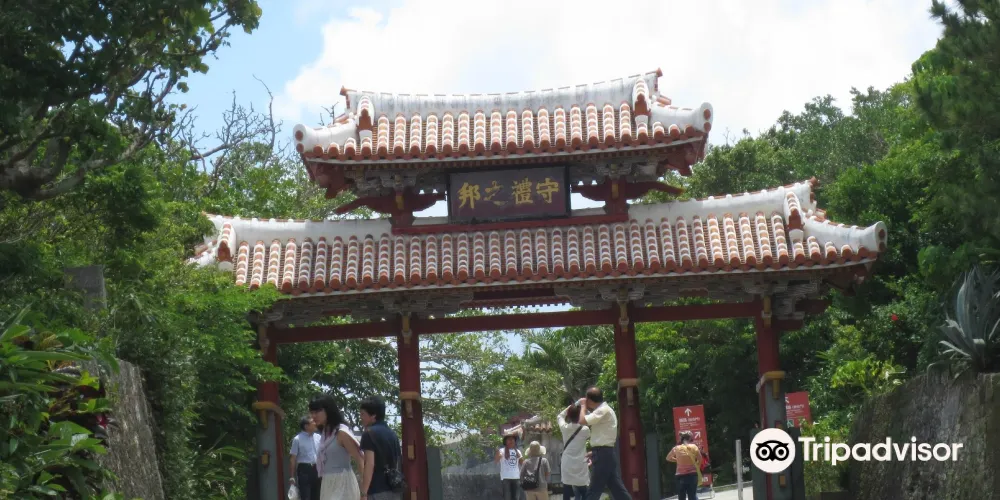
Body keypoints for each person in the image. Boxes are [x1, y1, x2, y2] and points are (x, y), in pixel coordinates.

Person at [576, 386, 630, 500]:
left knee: (593, 490)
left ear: (590, 400)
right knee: (617, 489)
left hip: (603, 454)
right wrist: (595, 451)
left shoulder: (602, 410)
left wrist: (582, 406)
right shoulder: (603, 410)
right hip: (605, 453)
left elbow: (582, 421)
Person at [308, 395, 365, 499]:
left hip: (343, 482)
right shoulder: (324, 435)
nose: (314, 415)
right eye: (312, 412)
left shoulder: (341, 432)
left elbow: (360, 459)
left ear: (328, 410)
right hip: (327, 483)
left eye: (317, 411)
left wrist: (364, 492)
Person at [359, 396, 403, 500]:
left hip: (376, 490)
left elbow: (369, 464)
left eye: (363, 414)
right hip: (394, 489)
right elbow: (397, 461)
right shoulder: (393, 434)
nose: (361, 417)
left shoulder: (368, 433)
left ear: (373, 415)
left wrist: (363, 493)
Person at [558, 403, 590, 500]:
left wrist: (570, 407)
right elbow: (590, 419)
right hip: (581, 463)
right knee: (584, 491)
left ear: (569, 415)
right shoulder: (585, 430)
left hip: (567, 463)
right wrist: (584, 409)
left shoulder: (565, 428)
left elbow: (560, 416)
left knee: (566, 491)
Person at [289, 416, 322, 500]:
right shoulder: (297, 439)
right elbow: (293, 458)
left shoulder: (318, 437)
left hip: (317, 469)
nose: (315, 423)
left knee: (317, 497)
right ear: (306, 426)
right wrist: (292, 476)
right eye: (312, 422)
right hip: (304, 470)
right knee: (306, 496)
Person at [666, 430, 702, 500]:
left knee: (681, 497)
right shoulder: (694, 447)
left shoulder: (676, 448)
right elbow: (700, 459)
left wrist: (677, 460)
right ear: (689, 438)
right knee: (692, 496)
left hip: (680, 476)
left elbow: (668, 458)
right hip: (692, 475)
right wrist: (697, 466)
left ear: (681, 439)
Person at [494, 433, 523, 500]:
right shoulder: (501, 450)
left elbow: (522, 463)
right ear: (505, 441)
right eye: (509, 439)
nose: (511, 441)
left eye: (512, 439)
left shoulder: (518, 451)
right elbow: (496, 461)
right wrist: (497, 453)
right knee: (507, 497)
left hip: (516, 477)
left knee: (516, 498)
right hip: (505, 478)